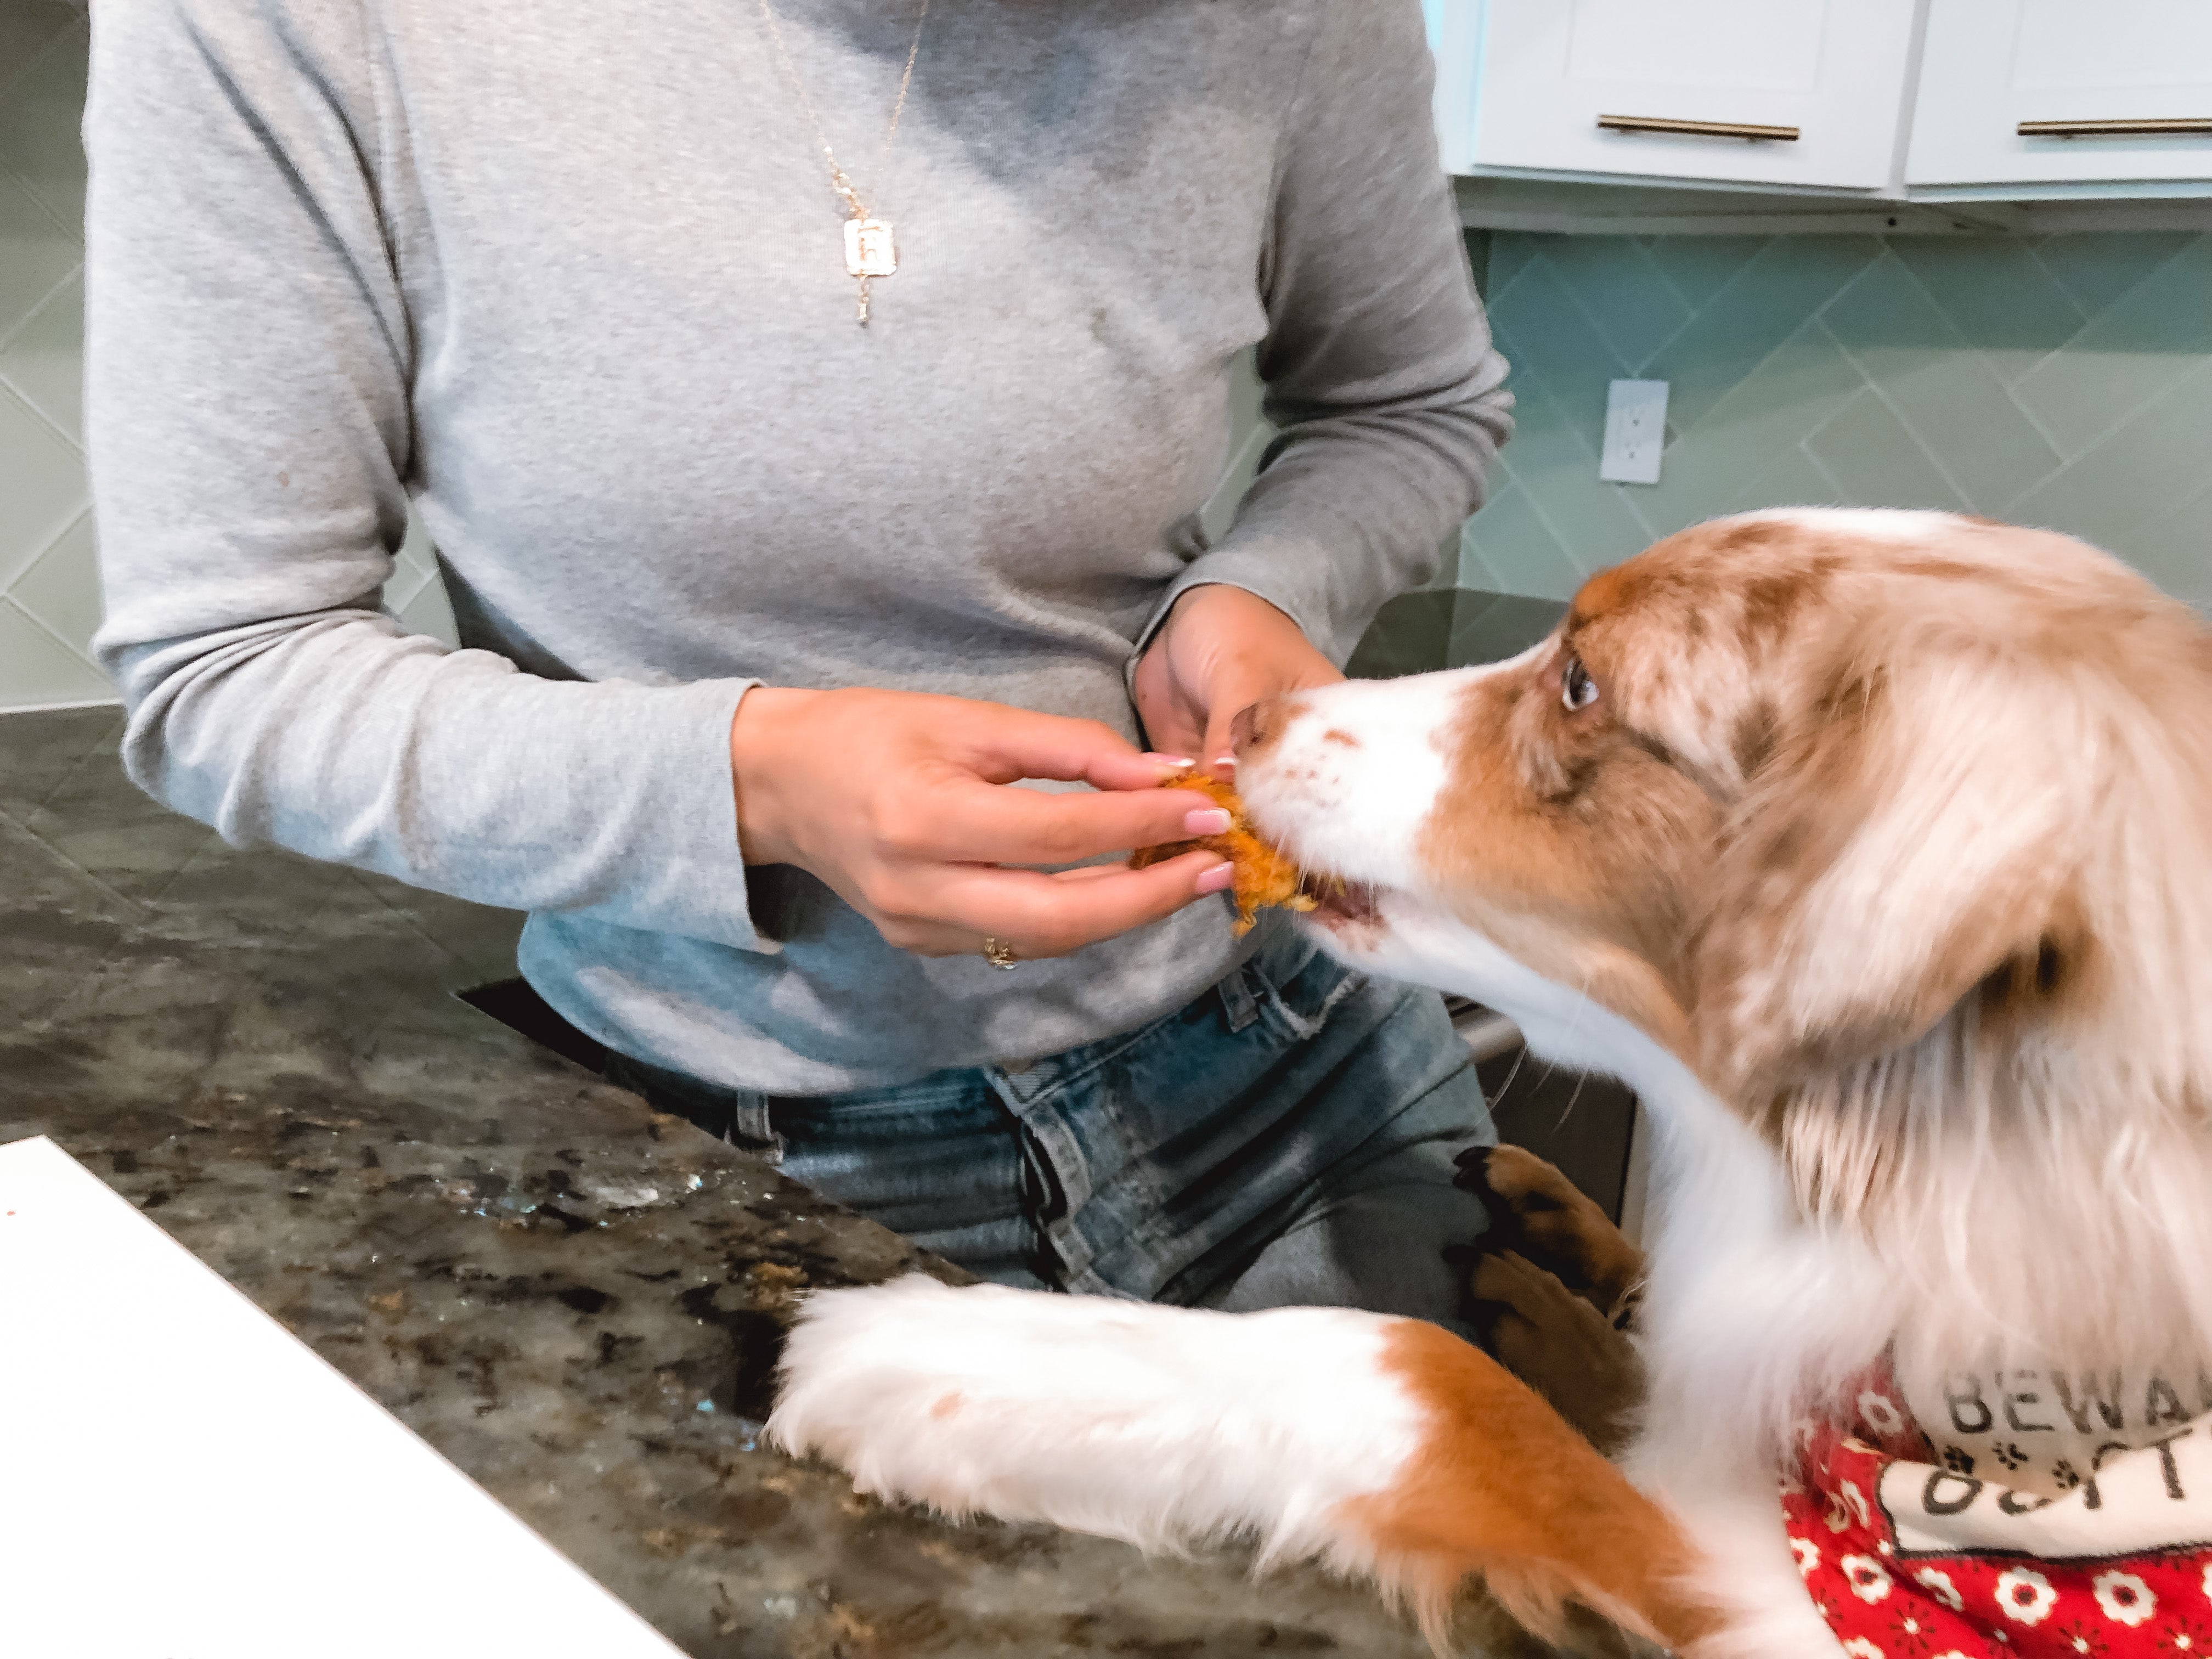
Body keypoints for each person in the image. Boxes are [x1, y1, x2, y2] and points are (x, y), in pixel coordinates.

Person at [85, 0, 1513, 1329]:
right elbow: (231, 668)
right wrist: (755, 780)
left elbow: (1415, 404)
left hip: (1308, 1072)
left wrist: (1266, 591)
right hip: (751, 1174)